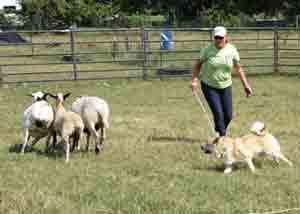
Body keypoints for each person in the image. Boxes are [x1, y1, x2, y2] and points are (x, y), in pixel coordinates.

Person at [191, 26, 252, 137]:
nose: (218, 40)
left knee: (228, 115)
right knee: (218, 114)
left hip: (226, 86)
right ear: (213, 38)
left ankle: (219, 130)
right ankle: (223, 139)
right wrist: (194, 80)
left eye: (221, 37)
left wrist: (246, 85)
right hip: (209, 86)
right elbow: (197, 65)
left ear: (226, 37)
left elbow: (238, 68)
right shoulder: (207, 50)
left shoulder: (232, 49)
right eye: (216, 37)